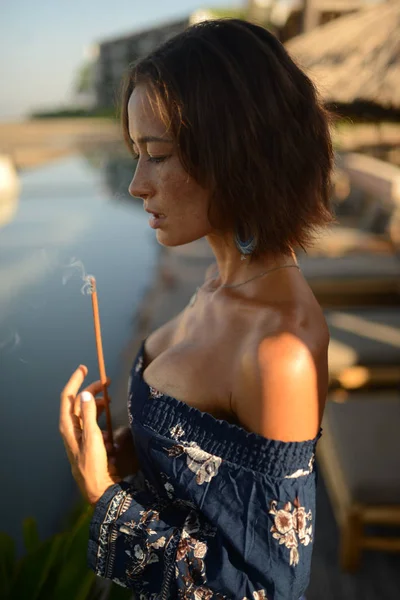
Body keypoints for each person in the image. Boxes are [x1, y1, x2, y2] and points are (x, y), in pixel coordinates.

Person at [60, 18, 333, 600]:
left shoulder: (277, 354)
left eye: (156, 154)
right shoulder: (216, 282)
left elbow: (263, 590)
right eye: (136, 153)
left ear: (237, 151)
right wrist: (134, 446)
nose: (136, 184)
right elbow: (213, 472)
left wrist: (103, 496)